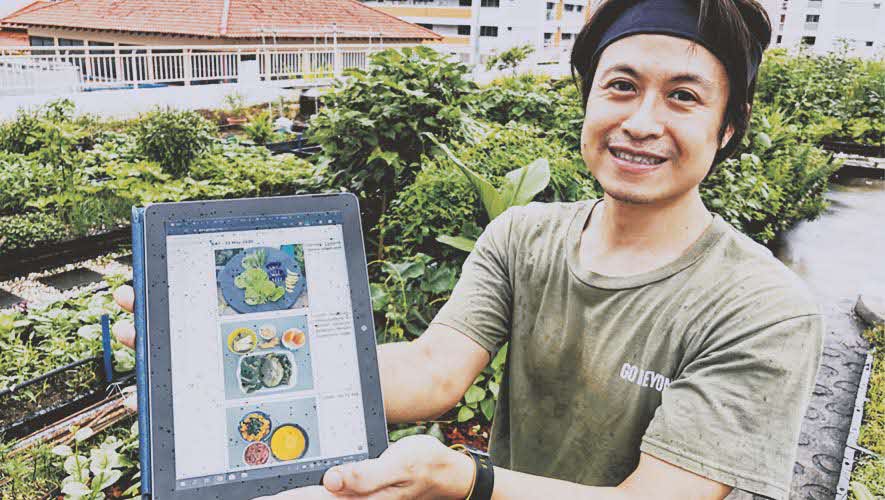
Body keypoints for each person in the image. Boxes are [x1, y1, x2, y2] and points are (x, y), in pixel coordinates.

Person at [113, 0, 824, 498]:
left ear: (729, 127)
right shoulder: (525, 236)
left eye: (683, 97)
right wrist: (220, 356)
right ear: (586, 99)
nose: (640, 122)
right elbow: (432, 370)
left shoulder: (763, 308)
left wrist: (468, 481)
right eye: (620, 86)